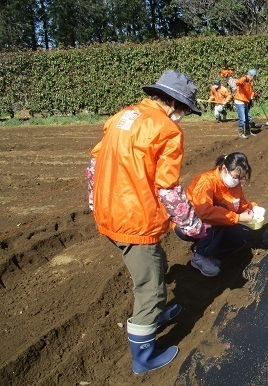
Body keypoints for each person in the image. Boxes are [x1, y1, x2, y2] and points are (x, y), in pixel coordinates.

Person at [87, 70, 203, 374]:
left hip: (108, 208)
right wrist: (191, 224)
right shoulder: (166, 129)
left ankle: (158, 313)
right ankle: (144, 356)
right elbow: (167, 187)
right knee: (150, 286)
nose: (184, 117)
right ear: (176, 105)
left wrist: (93, 201)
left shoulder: (122, 116)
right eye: (186, 111)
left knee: (155, 262)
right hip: (134, 218)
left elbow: (94, 164)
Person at [180, 152, 265, 277]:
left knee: (244, 235)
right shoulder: (206, 181)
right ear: (224, 168)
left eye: (242, 178)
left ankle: (210, 253)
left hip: (214, 225)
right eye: (236, 177)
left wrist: (252, 208)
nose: (238, 181)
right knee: (221, 210)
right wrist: (238, 217)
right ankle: (200, 256)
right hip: (190, 224)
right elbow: (204, 212)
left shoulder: (234, 185)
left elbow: (238, 204)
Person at [234, 69, 258, 139]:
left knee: (247, 118)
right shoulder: (243, 79)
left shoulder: (249, 83)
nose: (254, 79)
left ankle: (247, 131)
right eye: (254, 77)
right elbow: (238, 83)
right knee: (242, 119)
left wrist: (254, 94)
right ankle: (240, 132)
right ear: (251, 76)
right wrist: (245, 78)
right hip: (240, 101)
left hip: (245, 101)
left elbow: (249, 92)